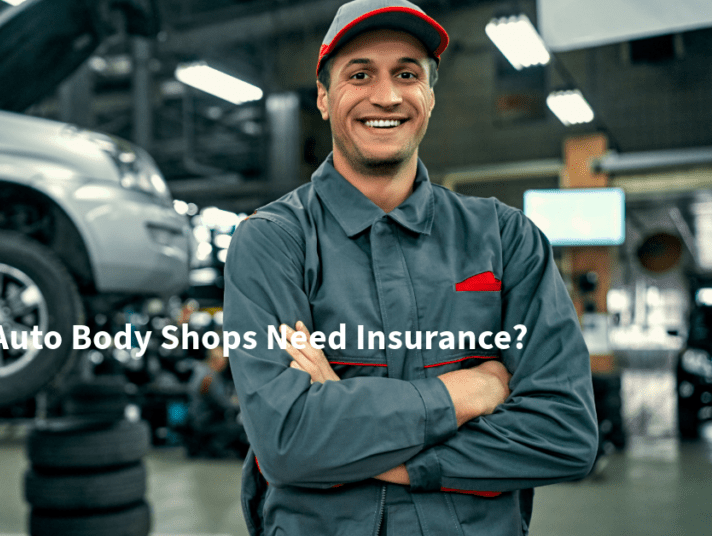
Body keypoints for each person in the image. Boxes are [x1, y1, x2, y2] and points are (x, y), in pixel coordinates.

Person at [222, 0, 599, 534]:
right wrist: (472, 391)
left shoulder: (506, 239)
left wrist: (379, 451)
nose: (387, 95)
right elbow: (288, 442)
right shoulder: (272, 242)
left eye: (407, 73)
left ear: (430, 97)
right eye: (360, 74)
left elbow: (564, 434)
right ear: (325, 99)